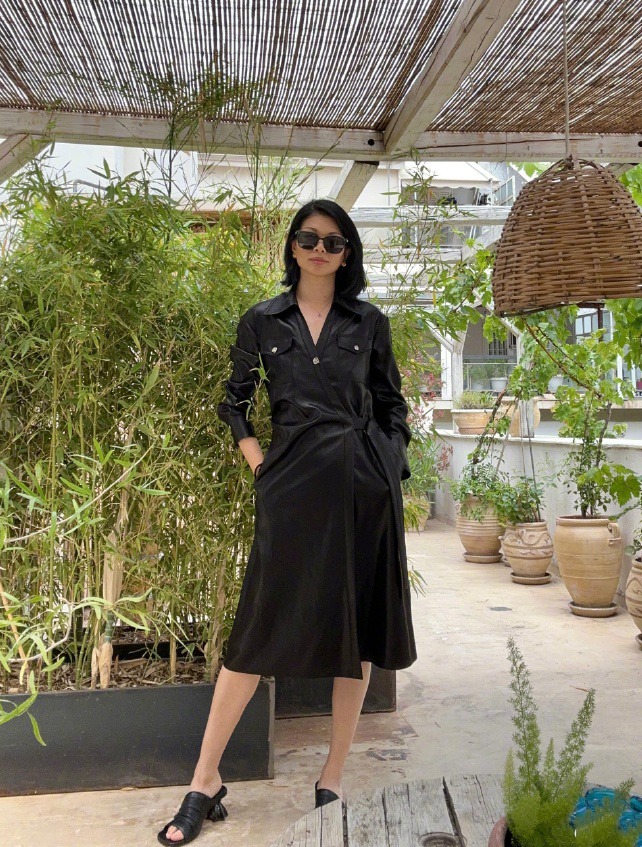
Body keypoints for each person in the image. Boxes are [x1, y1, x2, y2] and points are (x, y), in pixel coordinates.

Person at [157, 198, 417, 845]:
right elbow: (234, 402)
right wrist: (261, 468)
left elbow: (393, 407)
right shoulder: (262, 320)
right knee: (255, 632)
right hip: (291, 488)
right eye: (308, 238)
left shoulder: (370, 322)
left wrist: (386, 468)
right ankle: (205, 780)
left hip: (362, 490)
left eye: (333, 241)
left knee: (355, 635)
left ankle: (332, 776)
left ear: (348, 253)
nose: (319, 249)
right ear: (292, 246)